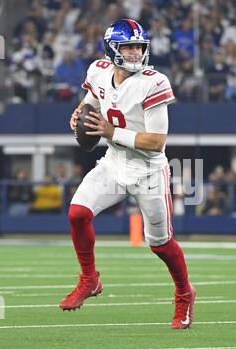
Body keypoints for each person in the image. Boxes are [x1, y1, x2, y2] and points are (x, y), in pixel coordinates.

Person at [59, 19, 196, 329]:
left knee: (160, 244)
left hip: (148, 170)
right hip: (115, 162)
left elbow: (157, 141)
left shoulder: (154, 81)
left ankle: (185, 294)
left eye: (139, 47)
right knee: (78, 213)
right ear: (112, 49)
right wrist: (79, 114)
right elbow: (92, 101)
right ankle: (89, 279)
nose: (135, 52)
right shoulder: (98, 71)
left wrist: (111, 131)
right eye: (128, 47)